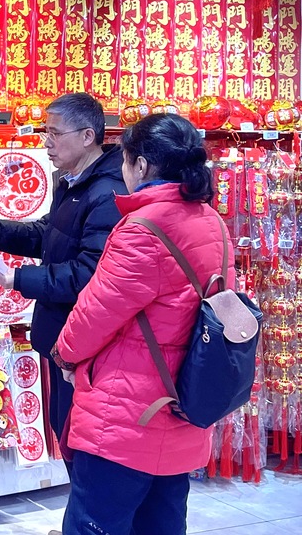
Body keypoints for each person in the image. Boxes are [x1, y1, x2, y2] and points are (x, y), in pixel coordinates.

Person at [51, 113, 229, 535]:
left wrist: (63, 354)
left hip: (126, 415)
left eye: (126, 161)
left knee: (96, 522)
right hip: (183, 401)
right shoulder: (211, 222)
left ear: (142, 166)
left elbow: (96, 312)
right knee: (162, 522)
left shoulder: (144, 229)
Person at [0, 93, 126, 445]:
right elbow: (50, 233)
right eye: (46, 131)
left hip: (86, 342)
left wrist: (18, 279)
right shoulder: (73, 182)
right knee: (67, 427)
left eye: (55, 133)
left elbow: (89, 274)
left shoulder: (106, 194)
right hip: (64, 337)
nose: (46, 142)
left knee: (79, 437)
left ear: (87, 136)